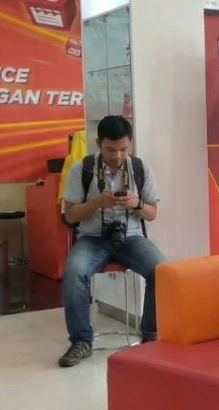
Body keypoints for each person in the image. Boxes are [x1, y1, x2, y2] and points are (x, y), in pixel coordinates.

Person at [59, 116, 166, 367]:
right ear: (98, 143)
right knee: (73, 272)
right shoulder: (81, 169)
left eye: (123, 149)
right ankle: (81, 341)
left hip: (131, 237)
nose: (117, 156)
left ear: (130, 144)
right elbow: (69, 215)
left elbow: (151, 214)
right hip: (92, 237)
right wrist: (97, 203)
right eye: (110, 149)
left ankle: (151, 335)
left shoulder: (140, 168)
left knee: (162, 270)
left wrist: (136, 204)